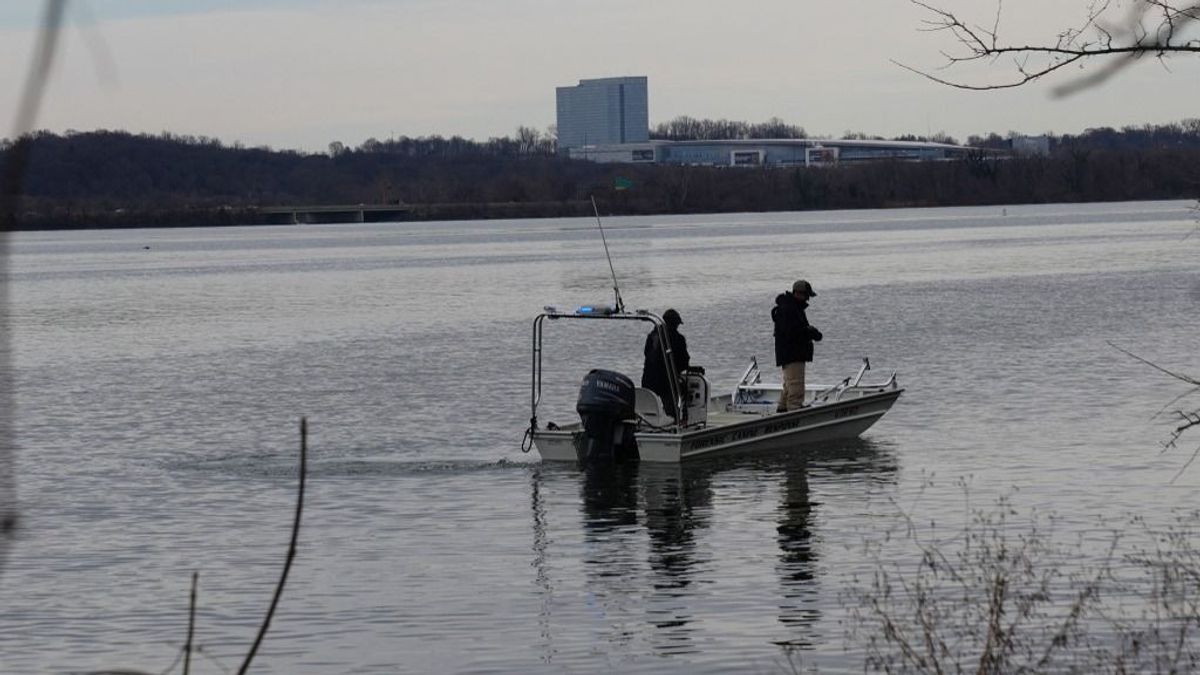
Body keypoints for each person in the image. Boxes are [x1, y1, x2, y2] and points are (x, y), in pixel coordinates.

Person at [772, 280, 822, 412]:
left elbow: (795, 330)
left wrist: (809, 332)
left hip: (788, 353)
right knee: (796, 386)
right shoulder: (790, 309)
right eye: (807, 296)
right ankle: (794, 410)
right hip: (792, 354)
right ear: (799, 294)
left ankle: (782, 409)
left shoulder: (789, 307)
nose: (808, 299)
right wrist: (810, 332)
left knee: (789, 385)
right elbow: (793, 333)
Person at [641, 308, 690, 418]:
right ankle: (678, 419)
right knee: (682, 391)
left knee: (648, 408)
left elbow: (646, 354)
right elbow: (684, 362)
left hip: (648, 381)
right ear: (675, 324)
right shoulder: (678, 339)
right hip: (667, 383)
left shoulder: (652, 337)